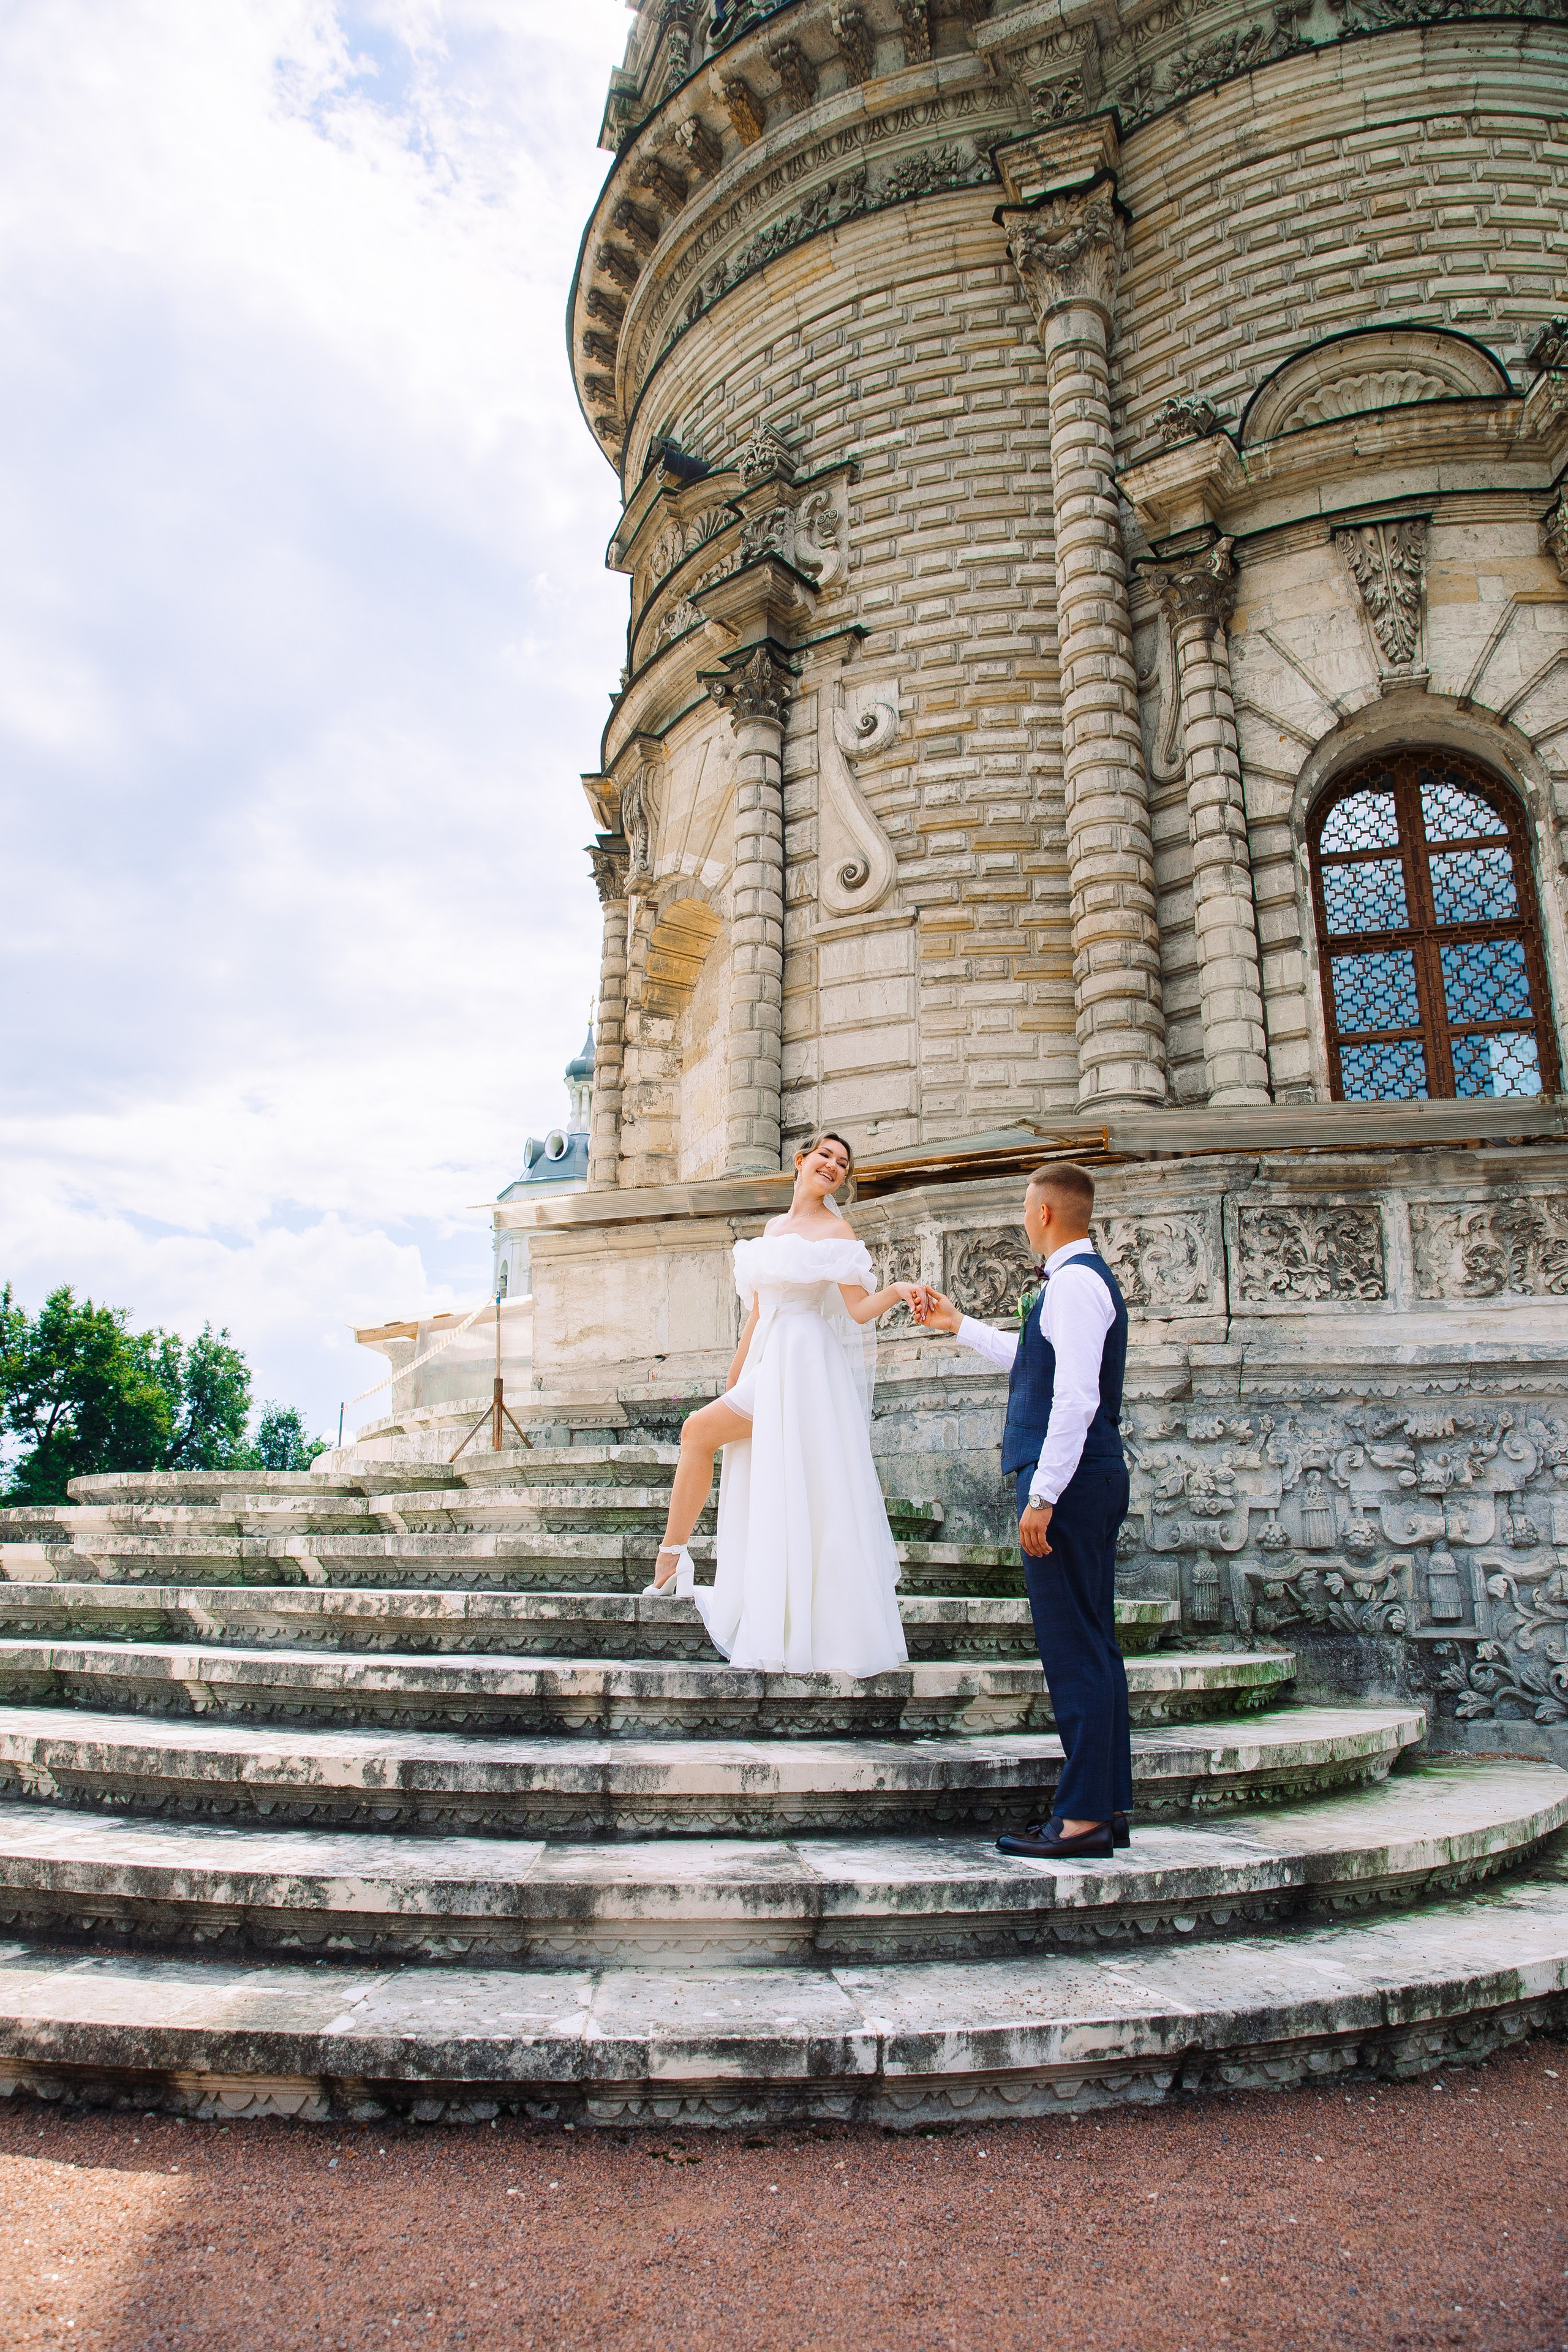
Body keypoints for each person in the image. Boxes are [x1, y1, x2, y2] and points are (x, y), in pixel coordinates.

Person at [914, 1162, 1133, 1860]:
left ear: (1043, 1213)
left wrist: (1042, 1494)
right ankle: (1104, 1806)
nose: (1022, 1217)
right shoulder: (1082, 1282)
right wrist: (959, 1326)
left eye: (1023, 1207)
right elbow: (1034, 1363)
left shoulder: (1070, 1285)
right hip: (1088, 1476)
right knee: (1094, 1644)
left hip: (1066, 1481)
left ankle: (1079, 1820)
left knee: (1073, 1650)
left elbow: (1074, 1400)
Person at [649, 1131, 923, 1676]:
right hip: (767, 1360)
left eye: (843, 1164)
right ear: (801, 1161)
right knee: (707, 1436)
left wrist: (897, 1290)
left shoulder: (836, 1230)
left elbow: (859, 1309)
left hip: (802, 1362)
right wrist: (732, 1379)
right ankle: (677, 1561)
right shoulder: (773, 1230)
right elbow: (755, 1317)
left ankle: (672, 1558)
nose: (834, 1166)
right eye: (825, 1155)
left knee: (701, 1436)